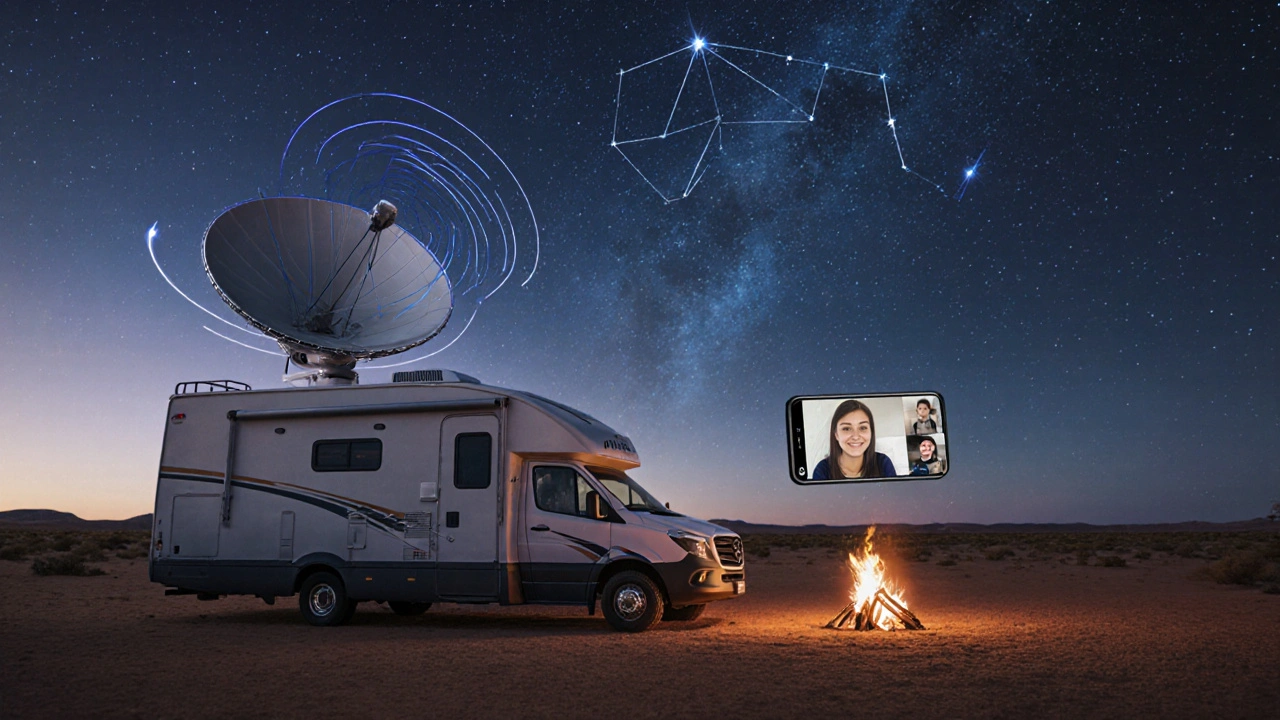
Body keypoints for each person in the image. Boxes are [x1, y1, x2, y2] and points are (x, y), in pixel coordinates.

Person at [811, 399, 897, 480]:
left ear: (871, 432)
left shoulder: (883, 464)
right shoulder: (822, 470)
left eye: (863, 428)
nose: (855, 436)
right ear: (836, 434)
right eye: (847, 429)